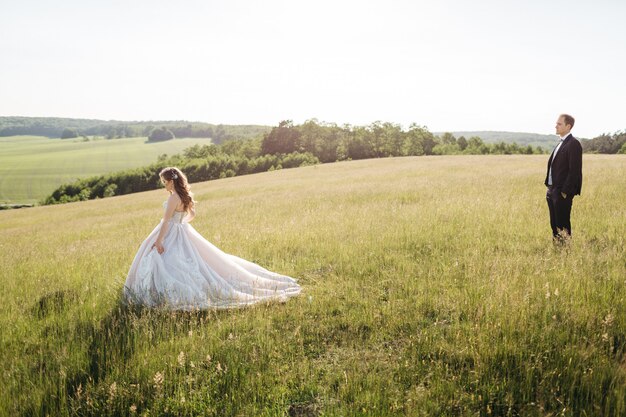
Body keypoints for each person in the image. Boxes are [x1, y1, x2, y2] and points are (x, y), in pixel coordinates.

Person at [124, 167, 301, 309]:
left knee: (167, 260)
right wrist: (182, 224)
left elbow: (165, 221)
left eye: (165, 182)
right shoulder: (185, 197)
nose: (164, 186)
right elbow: (192, 214)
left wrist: (159, 241)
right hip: (182, 230)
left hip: (171, 231)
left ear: (171, 181)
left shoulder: (173, 198)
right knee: (196, 260)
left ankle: (159, 292)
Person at [544, 114, 583, 242]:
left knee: (562, 224)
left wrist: (565, 192)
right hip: (552, 190)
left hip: (562, 192)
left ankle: (566, 251)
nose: (556, 126)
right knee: (554, 224)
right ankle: (557, 250)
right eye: (556, 123)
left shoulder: (573, 144)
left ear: (568, 126)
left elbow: (574, 171)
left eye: (559, 124)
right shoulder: (561, 143)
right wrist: (550, 189)